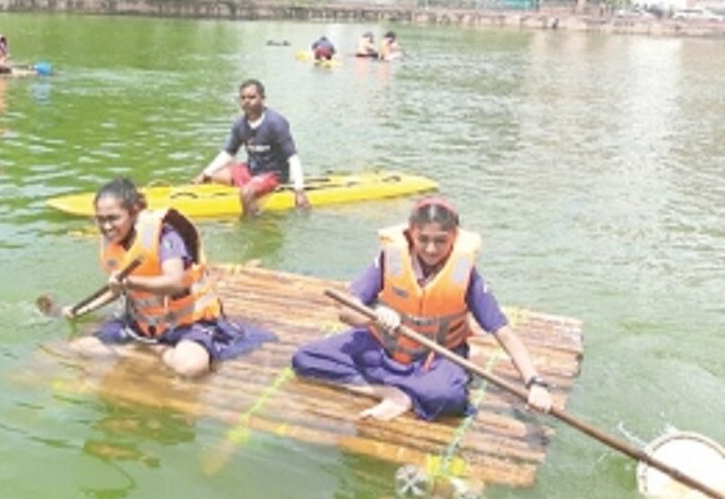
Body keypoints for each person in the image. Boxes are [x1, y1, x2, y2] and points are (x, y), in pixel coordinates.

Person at [292, 196, 553, 421]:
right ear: (411, 234)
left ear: (454, 237)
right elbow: (346, 311)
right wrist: (374, 317)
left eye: (440, 241)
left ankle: (405, 390)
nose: (430, 249)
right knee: (305, 359)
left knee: (447, 398)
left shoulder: (466, 273)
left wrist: (534, 383)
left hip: (434, 359)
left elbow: (504, 333)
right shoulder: (390, 258)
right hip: (384, 349)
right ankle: (390, 393)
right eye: (423, 239)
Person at [65, 178, 275, 376]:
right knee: (78, 347)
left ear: (134, 212)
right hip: (143, 325)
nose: (107, 226)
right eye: (101, 220)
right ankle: (147, 350)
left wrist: (129, 282)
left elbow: (175, 283)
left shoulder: (165, 234)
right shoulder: (113, 241)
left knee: (190, 367)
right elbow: (118, 288)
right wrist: (83, 309)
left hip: (187, 323)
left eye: (113, 218)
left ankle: (150, 352)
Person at [193, 79, 311, 216]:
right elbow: (228, 153)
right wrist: (204, 173)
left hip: (273, 174)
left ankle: (255, 228)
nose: (247, 101)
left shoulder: (276, 123)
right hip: (251, 171)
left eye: (252, 97)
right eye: (243, 98)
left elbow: (293, 158)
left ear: (263, 99)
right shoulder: (240, 124)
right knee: (214, 177)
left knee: (246, 193)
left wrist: (299, 191)